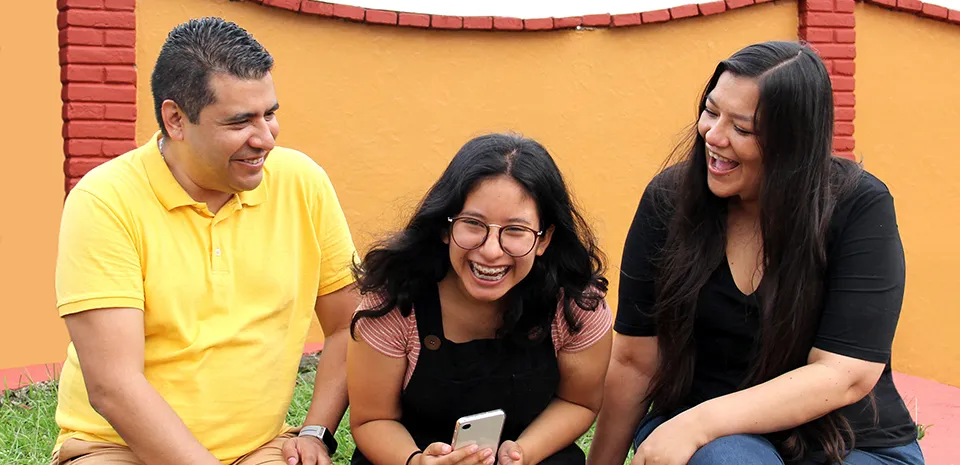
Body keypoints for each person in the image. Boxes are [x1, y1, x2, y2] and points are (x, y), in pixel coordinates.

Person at [587, 41, 923, 465]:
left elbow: (844, 373)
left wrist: (699, 422)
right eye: (711, 112)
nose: (713, 135)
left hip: (849, 443)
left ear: (794, 143)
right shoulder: (670, 202)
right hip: (721, 445)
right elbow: (636, 362)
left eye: (743, 129)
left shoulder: (858, 205)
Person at [51, 17, 359, 465]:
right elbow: (113, 385)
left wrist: (315, 432)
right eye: (240, 121)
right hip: (120, 450)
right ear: (176, 119)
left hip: (259, 450)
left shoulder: (301, 182)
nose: (266, 139)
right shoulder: (105, 200)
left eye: (269, 114)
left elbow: (349, 324)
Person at [345, 133, 613, 465]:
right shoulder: (393, 302)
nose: (490, 251)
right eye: (473, 224)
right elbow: (373, 419)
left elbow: (578, 402)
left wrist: (522, 453)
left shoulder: (575, 304)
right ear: (445, 228)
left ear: (544, 239)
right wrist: (416, 461)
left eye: (515, 230)